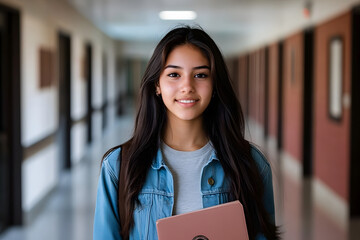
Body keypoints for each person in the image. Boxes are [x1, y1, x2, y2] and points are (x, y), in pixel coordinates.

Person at [93, 26, 279, 240]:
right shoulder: (118, 166)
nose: (187, 86)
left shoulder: (251, 164)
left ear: (215, 85)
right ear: (157, 85)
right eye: (174, 74)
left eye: (200, 75)